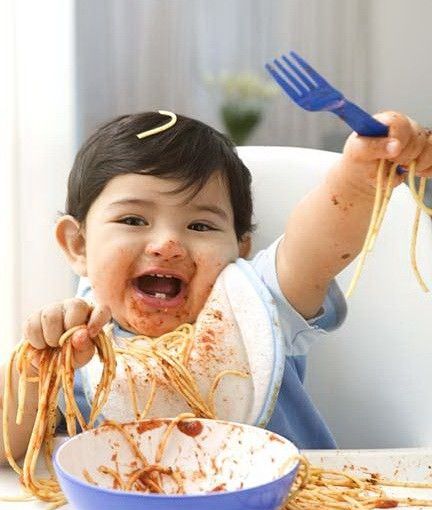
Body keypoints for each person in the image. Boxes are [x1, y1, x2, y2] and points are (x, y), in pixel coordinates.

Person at [1, 109, 432, 464]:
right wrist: (36, 370)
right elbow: (7, 452)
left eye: (200, 224)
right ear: (78, 245)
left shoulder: (256, 303)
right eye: (133, 220)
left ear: (241, 248)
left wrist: (357, 181)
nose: (168, 243)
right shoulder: (76, 343)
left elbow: (314, 248)